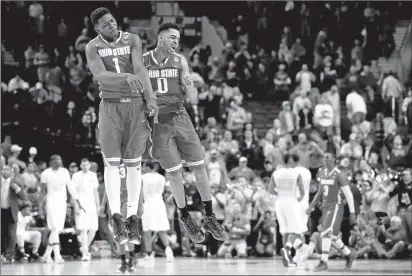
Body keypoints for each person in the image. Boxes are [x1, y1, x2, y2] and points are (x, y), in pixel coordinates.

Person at [142, 22, 228, 243]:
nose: (176, 42)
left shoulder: (180, 60)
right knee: (175, 173)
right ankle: (184, 216)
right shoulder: (142, 61)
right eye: (173, 38)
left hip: (181, 117)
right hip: (159, 122)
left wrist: (190, 86)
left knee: (200, 166)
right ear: (161, 38)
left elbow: (192, 97)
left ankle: (209, 216)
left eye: (178, 39)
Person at [85, 7, 159, 245]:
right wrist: (124, 78)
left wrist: (151, 100)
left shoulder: (132, 39)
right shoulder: (92, 47)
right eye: (106, 24)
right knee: (112, 162)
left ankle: (133, 219)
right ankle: (116, 217)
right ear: (97, 29)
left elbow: (139, 68)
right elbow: (101, 76)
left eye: (113, 21)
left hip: (135, 106)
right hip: (110, 105)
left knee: (134, 163)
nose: (112, 25)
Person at [305, 153, 357, 271]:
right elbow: (320, 192)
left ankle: (323, 262)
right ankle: (349, 254)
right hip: (325, 207)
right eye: (324, 157)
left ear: (333, 160)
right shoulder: (322, 173)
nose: (325, 159)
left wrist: (352, 212)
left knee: (325, 233)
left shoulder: (338, 174)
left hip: (336, 207)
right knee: (332, 236)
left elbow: (348, 194)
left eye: (328, 157)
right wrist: (311, 206)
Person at [39, 155, 84, 264]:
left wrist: (78, 201)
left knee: (57, 230)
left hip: (62, 204)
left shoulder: (65, 172)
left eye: (60, 160)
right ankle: (57, 256)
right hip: (50, 203)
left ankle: (46, 255)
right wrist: (40, 207)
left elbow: (70, 187)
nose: (59, 162)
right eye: (57, 160)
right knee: (54, 228)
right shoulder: (45, 173)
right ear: (52, 162)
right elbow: (42, 192)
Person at [269, 154, 305, 267]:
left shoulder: (276, 173)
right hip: (291, 201)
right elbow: (302, 192)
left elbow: (271, 190)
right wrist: (296, 200)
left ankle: (288, 258)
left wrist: (280, 194)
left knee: (284, 231)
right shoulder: (296, 173)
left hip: (279, 202)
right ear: (290, 160)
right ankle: (288, 249)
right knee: (295, 230)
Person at [140, 161, 174, 266]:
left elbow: (140, 194)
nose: (142, 168)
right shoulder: (162, 178)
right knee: (161, 229)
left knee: (147, 231)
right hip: (159, 203)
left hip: (148, 204)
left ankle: (149, 255)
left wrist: (140, 206)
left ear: (147, 167)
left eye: (144, 166)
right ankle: (169, 251)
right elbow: (164, 191)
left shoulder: (142, 177)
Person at [72, 158, 100, 261]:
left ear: (89, 165)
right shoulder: (76, 176)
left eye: (87, 165)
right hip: (81, 204)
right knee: (83, 229)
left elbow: (95, 192)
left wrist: (98, 206)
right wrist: (76, 205)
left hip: (92, 204)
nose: (85, 167)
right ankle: (85, 253)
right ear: (80, 166)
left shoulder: (93, 175)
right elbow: (74, 193)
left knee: (93, 229)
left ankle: (83, 247)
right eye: (83, 165)